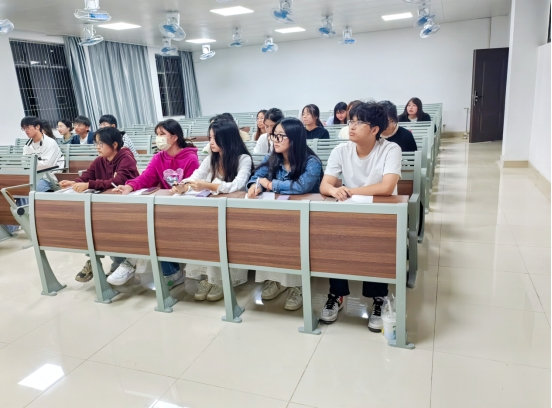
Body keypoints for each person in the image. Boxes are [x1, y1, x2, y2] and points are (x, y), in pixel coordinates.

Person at [319, 101, 401, 332]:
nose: (351, 127)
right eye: (351, 122)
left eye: (359, 123)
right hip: (349, 211)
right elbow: (325, 185)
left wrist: (349, 190)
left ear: (375, 129)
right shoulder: (341, 150)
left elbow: (386, 187)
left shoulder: (390, 149)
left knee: (375, 240)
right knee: (332, 237)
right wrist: (334, 190)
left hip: (381, 212)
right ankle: (336, 294)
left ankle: (378, 298)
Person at [172, 120, 254, 301]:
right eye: (210, 138)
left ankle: (221, 280)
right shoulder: (211, 158)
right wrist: (183, 186)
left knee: (220, 237)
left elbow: (237, 186)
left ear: (228, 138)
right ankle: (209, 277)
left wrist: (208, 185)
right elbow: (195, 177)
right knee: (203, 234)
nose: (211, 142)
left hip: (234, 213)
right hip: (211, 211)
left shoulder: (243, 159)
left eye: (215, 138)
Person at [112, 119, 199, 288]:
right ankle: (132, 263)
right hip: (164, 208)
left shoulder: (190, 158)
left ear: (174, 137)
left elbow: (192, 186)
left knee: (155, 227)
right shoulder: (159, 157)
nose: (158, 138)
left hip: (184, 209)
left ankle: (134, 264)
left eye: (162, 134)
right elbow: (146, 178)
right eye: (157, 134)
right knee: (141, 223)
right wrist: (129, 186)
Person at [247, 117, 323, 311]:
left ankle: (298, 286)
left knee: (292, 240)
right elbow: (256, 176)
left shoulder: (312, 162)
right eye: (274, 135)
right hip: (278, 215)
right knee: (267, 234)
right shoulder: (272, 156)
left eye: (281, 136)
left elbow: (301, 187)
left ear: (295, 138)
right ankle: (276, 279)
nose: (275, 140)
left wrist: (270, 184)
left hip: (306, 218)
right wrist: (255, 186)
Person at [59, 127, 140, 282]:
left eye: (101, 143)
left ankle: (116, 265)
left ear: (114, 144)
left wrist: (89, 184)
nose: (97, 147)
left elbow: (118, 181)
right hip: (106, 206)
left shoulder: (126, 158)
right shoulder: (100, 160)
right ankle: (94, 259)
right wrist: (74, 183)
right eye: (96, 143)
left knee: (108, 229)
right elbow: (88, 175)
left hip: (127, 207)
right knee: (91, 226)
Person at [21, 116, 65, 192]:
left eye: (27, 127)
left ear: (37, 126)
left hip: (49, 177)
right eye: (24, 128)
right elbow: (24, 163)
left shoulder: (50, 143)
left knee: (33, 188)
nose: (26, 130)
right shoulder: (27, 145)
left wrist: (33, 164)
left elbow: (47, 164)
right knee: (15, 186)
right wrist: (36, 164)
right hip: (34, 175)